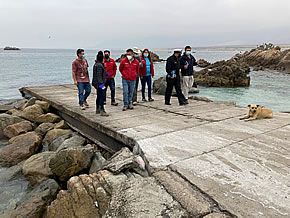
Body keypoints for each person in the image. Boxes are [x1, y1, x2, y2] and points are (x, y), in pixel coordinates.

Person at [92, 51, 109, 116]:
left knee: (99, 95)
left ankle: (97, 109)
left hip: (97, 83)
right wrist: (102, 85)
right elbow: (99, 76)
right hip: (100, 83)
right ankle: (102, 109)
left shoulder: (96, 64)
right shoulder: (99, 65)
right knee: (102, 95)